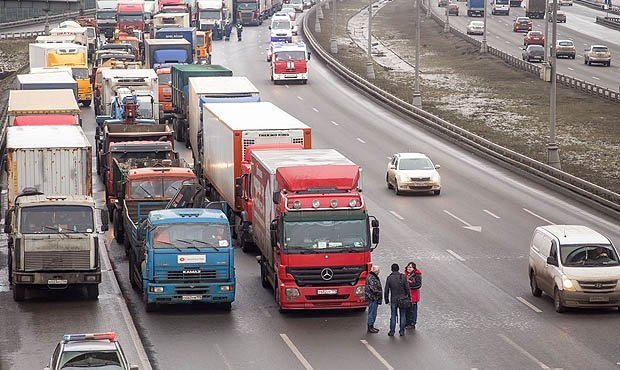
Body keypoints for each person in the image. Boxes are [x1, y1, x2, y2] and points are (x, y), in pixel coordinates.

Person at [384, 263, 410, 337]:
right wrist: (407, 297)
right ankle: (402, 331)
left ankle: (392, 331)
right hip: (403, 299)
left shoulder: (389, 278)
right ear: (398, 269)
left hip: (394, 300)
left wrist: (386, 300)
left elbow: (386, 290)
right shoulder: (403, 277)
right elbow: (407, 289)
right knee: (403, 315)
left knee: (393, 316)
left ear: (391, 269)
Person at [365, 265, 382, 333]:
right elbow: (373, 289)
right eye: (378, 271)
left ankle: (371, 326)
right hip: (373, 298)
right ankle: (370, 326)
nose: (379, 273)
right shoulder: (372, 278)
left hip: (372, 297)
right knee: (372, 313)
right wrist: (379, 293)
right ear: (376, 271)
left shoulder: (371, 276)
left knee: (372, 312)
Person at [404, 261, 422, 329]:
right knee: (407, 310)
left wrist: (408, 286)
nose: (409, 268)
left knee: (413, 310)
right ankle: (407, 322)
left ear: (414, 268)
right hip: (407, 296)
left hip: (413, 296)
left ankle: (412, 323)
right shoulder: (405, 275)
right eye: (408, 267)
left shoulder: (417, 275)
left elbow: (418, 285)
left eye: (410, 267)